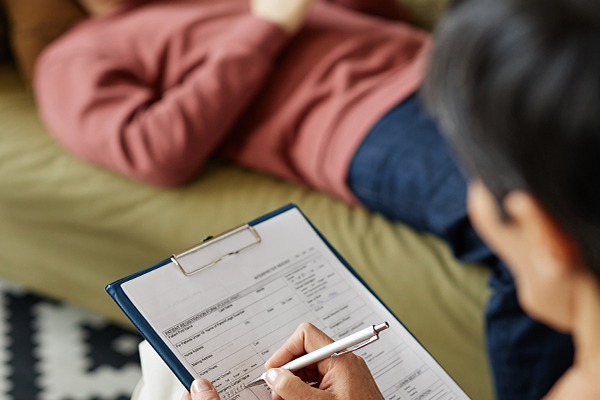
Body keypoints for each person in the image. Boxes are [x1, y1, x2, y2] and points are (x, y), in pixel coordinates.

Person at [33, 0, 574, 398]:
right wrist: (267, 24)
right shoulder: (72, 56)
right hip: (363, 116)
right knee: (533, 238)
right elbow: (156, 149)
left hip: (455, 68)